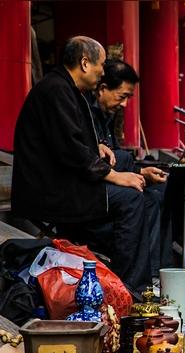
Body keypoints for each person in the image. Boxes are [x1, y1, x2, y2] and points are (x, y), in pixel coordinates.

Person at [12, 36, 154, 293]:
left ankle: (129, 280)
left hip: (62, 182)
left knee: (137, 191)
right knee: (132, 200)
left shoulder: (66, 89)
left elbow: (72, 140)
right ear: (85, 63)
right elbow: (70, 151)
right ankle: (129, 287)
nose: (102, 72)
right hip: (52, 190)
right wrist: (115, 176)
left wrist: (96, 146)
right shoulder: (55, 90)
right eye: (100, 65)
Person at [88, 58, 168, 282]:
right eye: (122, 96)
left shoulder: (106, 114)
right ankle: (132, 280)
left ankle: (154, 273)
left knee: (159, 195)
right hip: (85, 189)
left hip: (102, 180)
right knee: (138, 200)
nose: (124, 104)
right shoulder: (82, 111)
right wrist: (134, 173)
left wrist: (141, 174)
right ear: (102, 88)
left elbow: (111, 157)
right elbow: (100, 160)